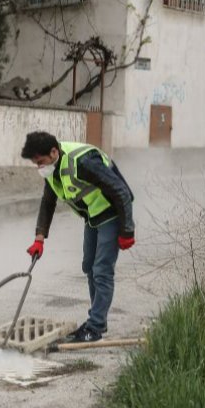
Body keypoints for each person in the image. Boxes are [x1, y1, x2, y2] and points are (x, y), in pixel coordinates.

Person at [21, 131, 134, 343]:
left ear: (54, 152)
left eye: (41, 161)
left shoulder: (83, 162)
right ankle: (98, 320)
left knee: (101, 270)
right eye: (36, 163)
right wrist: (39, 239)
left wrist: (127, 230)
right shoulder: (53, 170)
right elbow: (48, 202)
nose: (39, 167)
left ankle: (95, 326)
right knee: (89, 266)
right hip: (92, 216)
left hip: (111, 213)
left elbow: (121, 191)